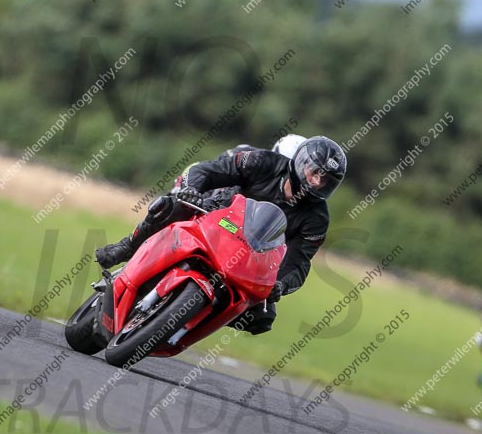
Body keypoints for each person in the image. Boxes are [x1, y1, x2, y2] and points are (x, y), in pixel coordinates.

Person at [95, 135, 347, 334]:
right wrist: (192, 189)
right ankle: (127, 247)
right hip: (215, 215)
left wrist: (280, 284)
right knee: (170, 206)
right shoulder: (262, 161)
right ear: (302, 163)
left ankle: (187, 323)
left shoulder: (318, 219)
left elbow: (299, 262)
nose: (317, 182)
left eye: (325, 180)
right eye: (315, 173)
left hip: (252, 257)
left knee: (262, 317)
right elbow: (207, 170)